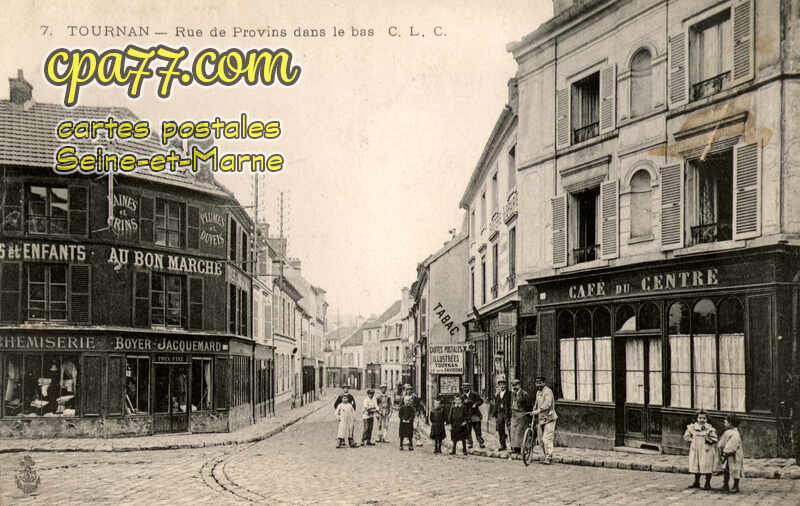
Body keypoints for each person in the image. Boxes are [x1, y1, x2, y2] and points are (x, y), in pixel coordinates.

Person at [683, 410, 718, 489]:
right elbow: (686, 436)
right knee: (696, 464)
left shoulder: (709, 428)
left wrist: (708, 439)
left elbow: (715, 438)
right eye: (700, 418)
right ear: (696, 418)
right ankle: (696, 482)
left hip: (706, 449)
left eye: (704, 418)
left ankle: (707, 483)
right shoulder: (692, 427)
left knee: (707, 464)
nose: (702, 420)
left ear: (707, 419)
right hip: (696, 449)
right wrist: (692, 440)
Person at [532, 376, 558, 464]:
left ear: (544, 383)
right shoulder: (538, 392)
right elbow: (536, 403)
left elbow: (547, 404)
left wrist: (539, 410)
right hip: (541, 419)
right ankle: (545, 455)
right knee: (540, 440)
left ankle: (549, 456)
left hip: (549, 418)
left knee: (547, 438)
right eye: (537, 383)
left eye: (540, 383)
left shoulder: (548, 391)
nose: (538, 385)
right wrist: (534, 409)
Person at [718, 414, 744, 493]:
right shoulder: (728, 432)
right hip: (727, 454)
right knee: (726, 469)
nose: (724, 423)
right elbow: (723, 442)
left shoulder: (734, 433)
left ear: (730, 423)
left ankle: (736, 486)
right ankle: (725, 484)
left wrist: (726, 452)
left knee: (735, 469)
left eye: (725, 422)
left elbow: (732, 444)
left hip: (734, 454)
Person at [509, 379, 533, 454]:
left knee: (520, 432)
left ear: (519, 385)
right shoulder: (512, 394)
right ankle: (514, 448)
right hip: (514, 414)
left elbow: (529, 406)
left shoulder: (524, 394)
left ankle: (521, 448)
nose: (514, 387)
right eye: (513, 385)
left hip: (522, 414)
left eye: (516, 385)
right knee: (513, 431)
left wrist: (527, 414)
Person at [490, 376, 511, 451]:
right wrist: (494, 414)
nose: (502, 386)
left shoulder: (509, 394)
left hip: (507, 413)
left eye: (503, 384)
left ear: (506, 385)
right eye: (500, 385)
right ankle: (503, 445)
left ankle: (512, 446)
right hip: (500, 413)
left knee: (509, 429)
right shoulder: (498, 395)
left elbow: (511, 404)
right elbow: (496, 405)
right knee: (500, 429)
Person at [461, 383, 485, 449]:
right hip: (467, 416)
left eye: (466, 387)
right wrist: (464, 403)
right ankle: (470, 443)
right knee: (468, 430)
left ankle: (481, 443)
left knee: (477, 430)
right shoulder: (462, 396)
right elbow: (460, 405)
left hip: (475, 415)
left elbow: (481, 401)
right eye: (464, 387)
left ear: (469, 388)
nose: (465, 389)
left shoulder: (475, 394)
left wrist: (475, 404)